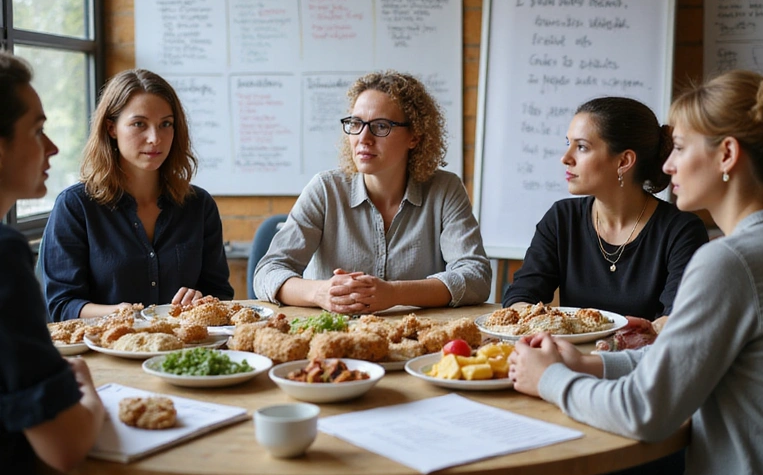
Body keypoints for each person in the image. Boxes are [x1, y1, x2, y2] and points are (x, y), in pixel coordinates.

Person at [508, 70, 763, 475]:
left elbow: (645, 411)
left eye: (680, 148)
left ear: (726, 154)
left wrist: (550, 378)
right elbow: (682, 359)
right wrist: (591, 364)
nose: (666, 165)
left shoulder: (728, 261)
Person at [254, 70, 491, 314]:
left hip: (416, 333)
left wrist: (395, 294)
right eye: (356, 124)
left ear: (415, 137)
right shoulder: (325, 189)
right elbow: (267, 273)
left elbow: (476, 277)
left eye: (381, 126)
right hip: (333, 333)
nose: (363, 138)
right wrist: (319, 292)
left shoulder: (445, 190)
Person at [41, 69, 234, 321]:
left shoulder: (199, 205)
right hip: (105, 343)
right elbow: (62, 305)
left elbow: (220, 293)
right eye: (139, 124)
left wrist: (202, 299)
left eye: (166, 124)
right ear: (111, 128)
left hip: (184, 343)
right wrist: (122, 314)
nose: (155, 138)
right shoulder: (75, 206)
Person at [502, 97, 709, 325]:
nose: (566, 158)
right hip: (567, 348)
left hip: (647, 350)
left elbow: (677, 321)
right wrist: (535, 322)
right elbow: (520, 295)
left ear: (624, 161)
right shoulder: (562, 218)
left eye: (581, 147)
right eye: (568, 143)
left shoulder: (682, 230)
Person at [0, 51, 105, 475]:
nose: (53, 148)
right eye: (37, 130)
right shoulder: (4, 256)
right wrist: (88, 393)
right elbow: (65, 446)